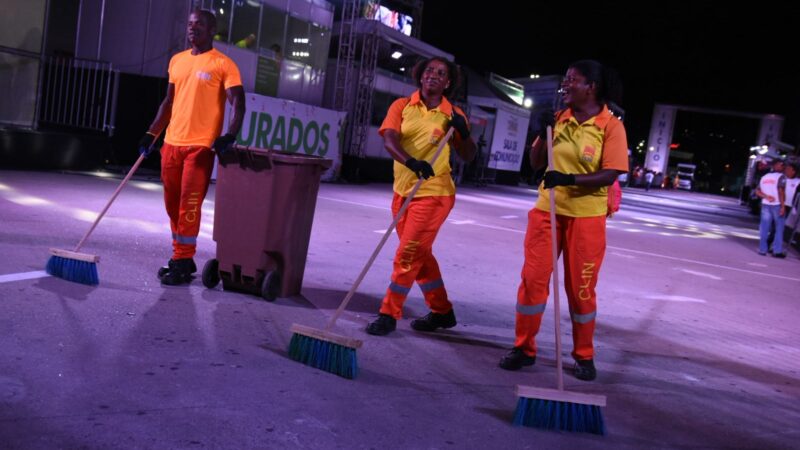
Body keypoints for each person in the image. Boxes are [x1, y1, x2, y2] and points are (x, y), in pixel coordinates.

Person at [498, 60, 628, 381]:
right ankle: (523, 348)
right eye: (566, 79)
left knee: (581, 290)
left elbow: (610, 172)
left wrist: (568, 178)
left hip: (586, 219)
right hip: (547, 212)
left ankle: (584, 356)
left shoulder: (610, 125)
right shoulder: (558, 119)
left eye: (573, 80)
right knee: (533, 280)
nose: (566, 85)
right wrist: (542, 134)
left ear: (591, 87)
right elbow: (535, 163)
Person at [365, 57, 476, 336]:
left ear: (448, 82)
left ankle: (389, 313)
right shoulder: (402, 106)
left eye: (441, 73)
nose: (434, 76)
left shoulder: (453, 115)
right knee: (420, 256)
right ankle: (442, 312)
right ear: (420, 75)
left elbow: (469, 155)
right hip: (403, 191)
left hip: (435, 193)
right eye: (429, 71)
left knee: (407, 254)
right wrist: (412, 162)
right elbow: (389, 139)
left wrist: (464, 134)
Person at [139, 9, 246, 285]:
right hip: (171, 143)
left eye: (199, 23)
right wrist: (152, 132)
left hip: (200, 146)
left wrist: (229, 135)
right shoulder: (177, 61)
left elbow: (239, 103)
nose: (192, 28)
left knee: (189, 204)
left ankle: (182, 260)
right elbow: (169, 103)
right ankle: (182, 257)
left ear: (212, 30)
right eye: (189, 23)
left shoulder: (224, 64)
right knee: (172, 204)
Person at [756, 159, 786, 258]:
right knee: (779, 228)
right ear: (776, 165)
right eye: (782, 165)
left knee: (764, 228)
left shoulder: (764, 177)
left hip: (765, 204)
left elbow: (757, 192)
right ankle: (777, 251)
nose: (783, 167)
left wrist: (766, 197)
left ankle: (762, 249)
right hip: (777, 205)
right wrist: (782, 206)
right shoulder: (781, 177)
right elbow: (781, 191)